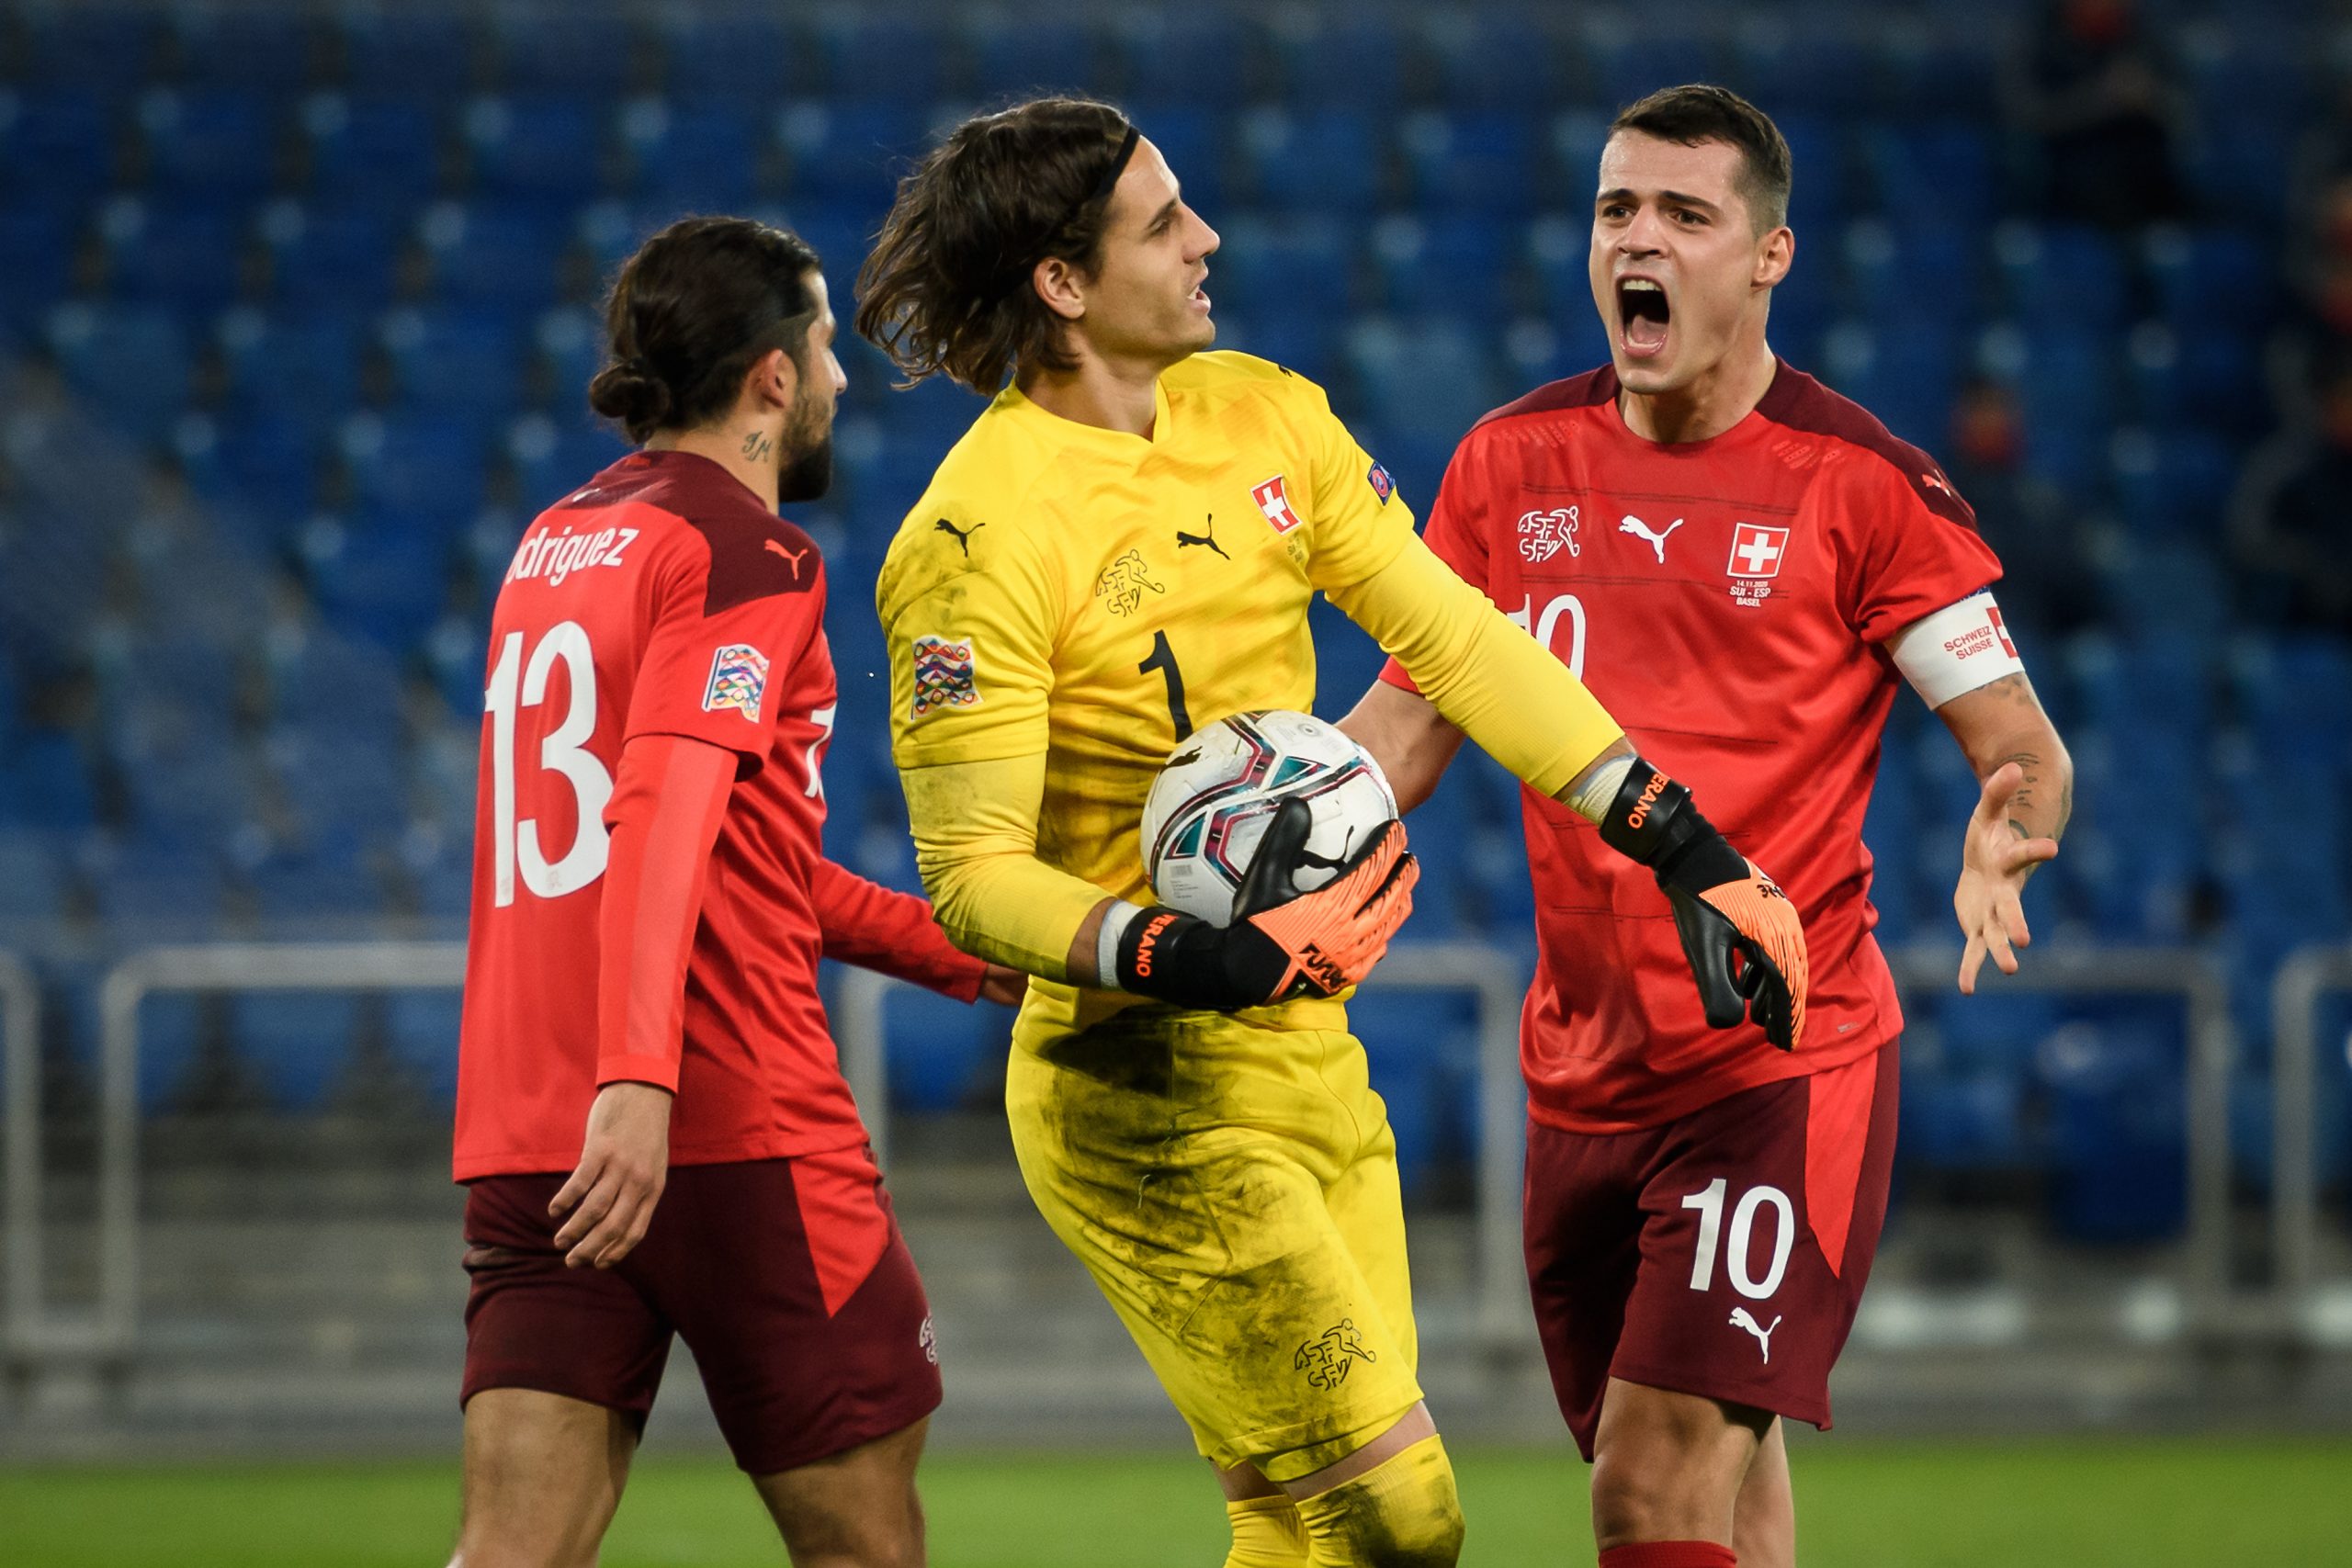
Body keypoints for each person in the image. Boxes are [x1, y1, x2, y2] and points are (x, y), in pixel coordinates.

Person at [853, 97, 1807, 1568]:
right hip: (1138, 1093)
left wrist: (1683, 844)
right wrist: (1207, 958)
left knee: (1314, 1539)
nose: (1206, 236)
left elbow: (1459, 642)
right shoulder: (974, 541)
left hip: (1308, 1050)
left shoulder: (1264, 416)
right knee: (1398, 1518)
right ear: (1061, 282)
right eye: (1164, 222)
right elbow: (969, 879)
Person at [1340, 85, 2075, 1568]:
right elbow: (1403, 729)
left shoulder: (1862, 487)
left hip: (1777, 1062)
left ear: (1768, 259)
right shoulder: (1506, 464)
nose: (1641, 240)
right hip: (1582, 1078)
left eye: (1686, 214)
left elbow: (2023, 750)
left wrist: (2009, 827)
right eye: (1618, 209)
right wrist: (1255, 809)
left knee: (1649, 1488)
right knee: (1716, 1498)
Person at [447, 216, 1016, 1568]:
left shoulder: (554, 542)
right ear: (769, 376)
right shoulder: (749, 556)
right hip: (726, 1124)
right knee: (866, 1549)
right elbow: (657, 824)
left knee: (508, 1554)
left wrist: (967, 952)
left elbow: (727, 854)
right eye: (823, 346)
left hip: (535, 1140)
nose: (835, 378)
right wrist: (640, 1081)